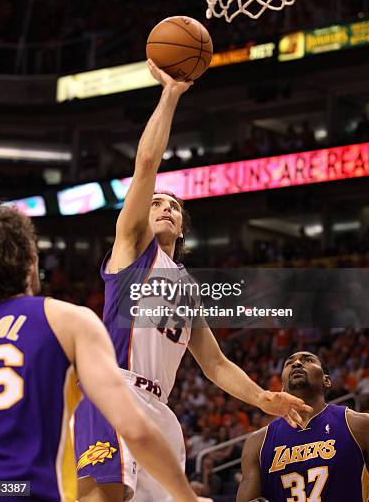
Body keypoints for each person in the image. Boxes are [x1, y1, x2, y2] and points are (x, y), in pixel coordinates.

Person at [74, 60, 312, 502]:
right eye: (157, 202)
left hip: (160, 412)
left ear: (182, 227)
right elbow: (146, 164)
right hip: (116, 393)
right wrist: (170, 93)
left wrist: (264, 398)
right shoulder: (131, 252)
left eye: (175, 207)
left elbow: (215, 364)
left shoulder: (187, 288)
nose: (165, 207)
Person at [0, 206, 201, 502]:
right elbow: (133, 428)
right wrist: (188, 497)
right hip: (29, 490)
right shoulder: (64, 319)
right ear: (31, 264)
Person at [237, 351, 369, 501]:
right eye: (289, 363)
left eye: (308, 360)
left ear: (326, 380)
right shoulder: (257, 442)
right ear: (282, 387)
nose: (297, 363)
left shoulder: (358, 425)